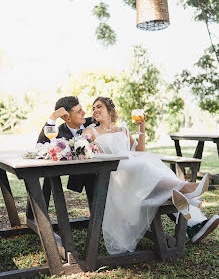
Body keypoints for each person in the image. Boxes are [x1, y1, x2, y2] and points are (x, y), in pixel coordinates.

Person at [83, 97, 219, 254]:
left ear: (110, 110)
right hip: (118, 178)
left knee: (163, 184)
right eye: (93, 108)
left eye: (99, 106)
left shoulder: (123, 130)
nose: (95, 110)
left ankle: (196, 225)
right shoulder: (91, 131)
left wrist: (142, 129)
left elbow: (139, 151)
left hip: (137, 174)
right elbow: (83, 152)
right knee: (146, 166)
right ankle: (188, 191)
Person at [37, 96, 97, 207]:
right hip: (73, 170)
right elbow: (41, 144)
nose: (84, 113)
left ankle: (97, 217)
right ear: (67, 118)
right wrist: (53, 117)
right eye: (79, 112)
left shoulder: (92, 123)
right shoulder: (59, 132)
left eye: (82, 109)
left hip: (96, 171)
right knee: (49, 175)